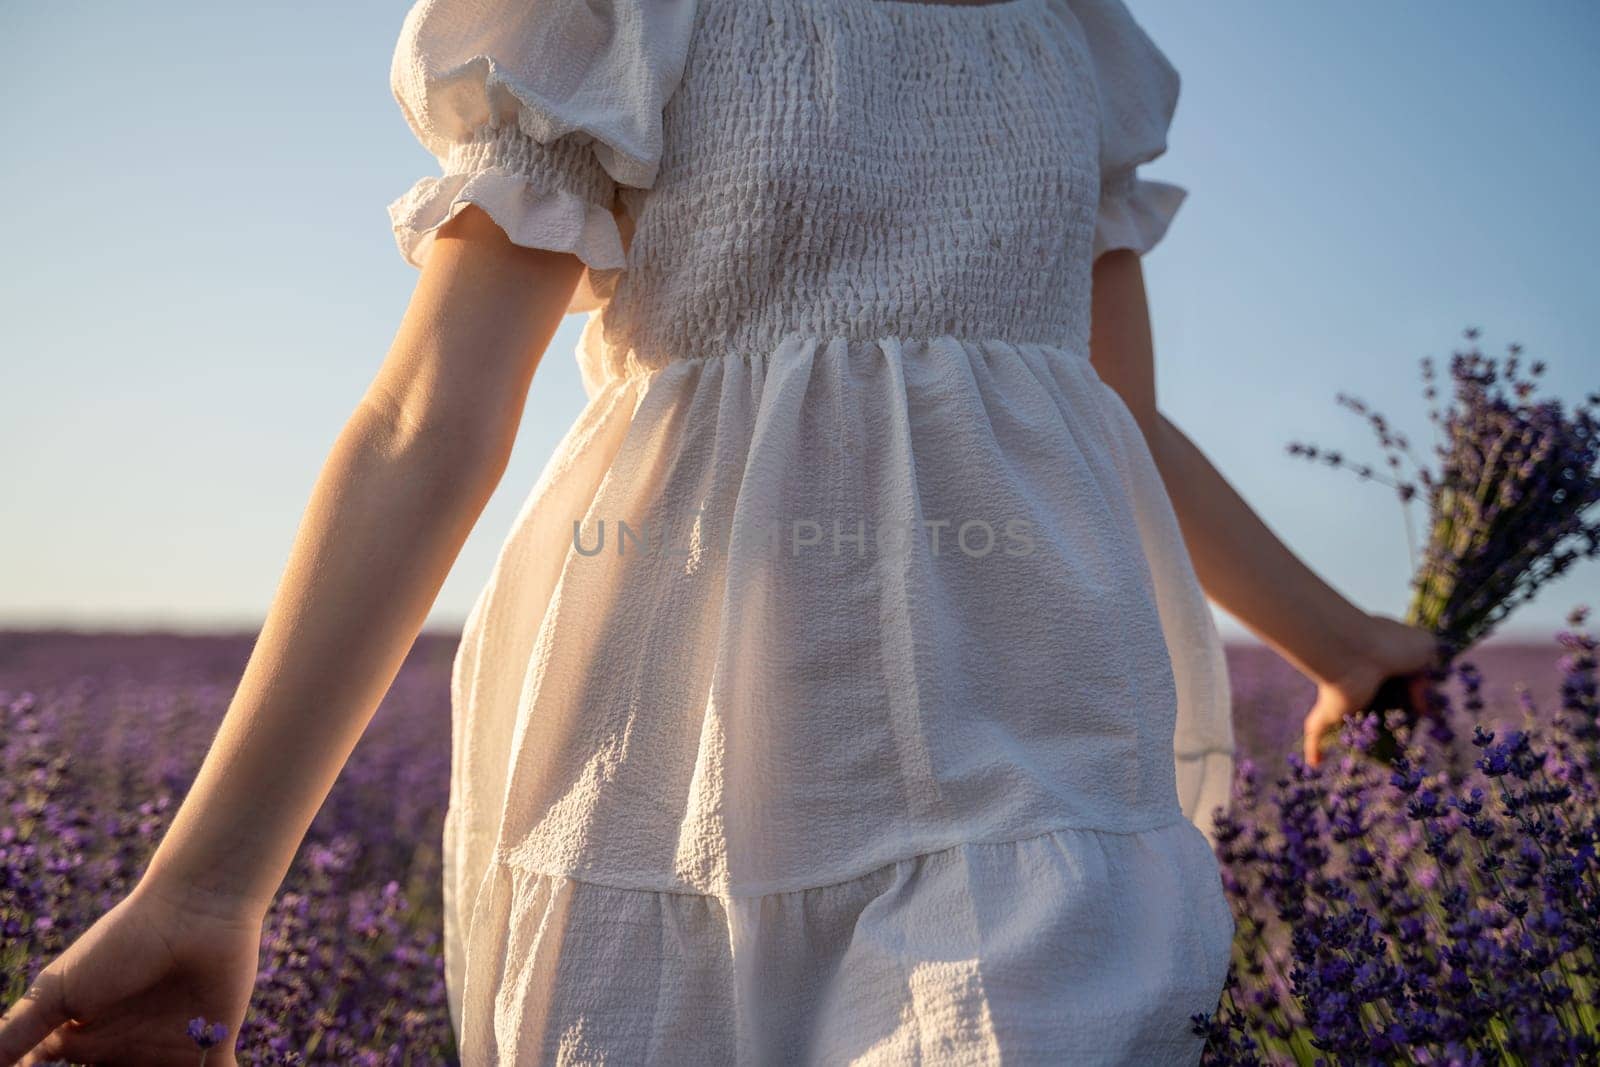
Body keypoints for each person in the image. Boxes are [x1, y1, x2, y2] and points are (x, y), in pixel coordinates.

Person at [0, 0, 1440, 1063]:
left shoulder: (1077, 44)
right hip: (668, 772)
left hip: (1037, 744)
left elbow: (1123, 422)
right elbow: (425, 420)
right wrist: (209, 881)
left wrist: (1349, 643)